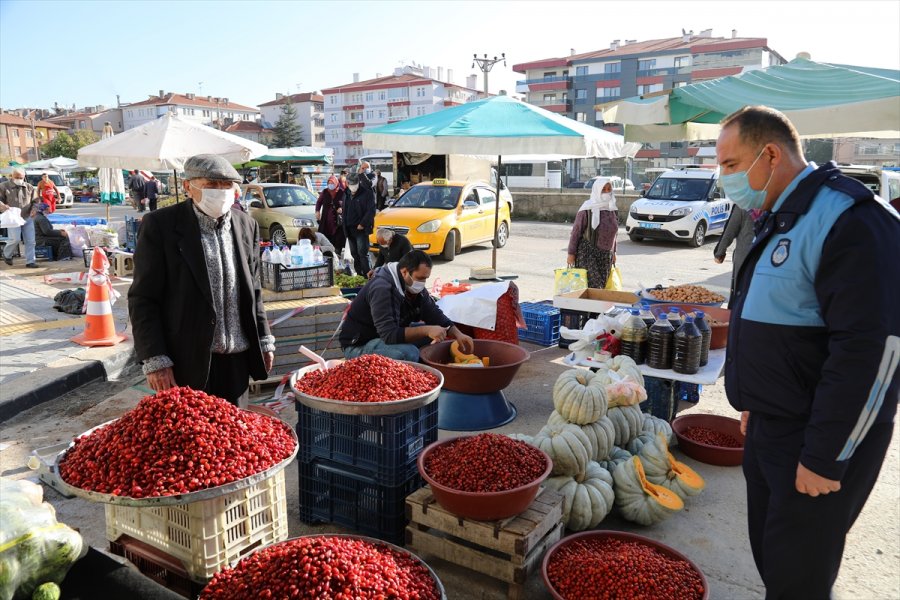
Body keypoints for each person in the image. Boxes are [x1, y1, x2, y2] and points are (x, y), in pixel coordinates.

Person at [717, 105, 899, 599]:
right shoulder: (780, 216)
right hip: (773, 427)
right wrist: (757, 400)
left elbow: (873, 353)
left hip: (815, 441)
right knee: (774, 561)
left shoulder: (853, 220)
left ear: (770, 154)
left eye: (731, 165)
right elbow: (783, 320)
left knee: (800, 577)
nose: (723, 178)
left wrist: (825, 457)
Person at [128, 154, 276, 408]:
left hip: (237, 360)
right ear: (188, 187)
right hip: (186, 361)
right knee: (192, 440)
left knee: (234, 437)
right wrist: (155, 359)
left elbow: (253, 290)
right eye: (211, 185)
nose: (220, 192)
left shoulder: (246, 225)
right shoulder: (161, 225)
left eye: (227, 186)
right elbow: (143, 298)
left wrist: (264, 339)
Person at [339, 250, 474, 362]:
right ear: (404, 272)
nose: (423, 283)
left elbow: (433, 313)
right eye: (420, 278)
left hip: (384, 335)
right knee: (409, 353)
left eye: (426, 279)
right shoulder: (382, 288)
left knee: (438, 333)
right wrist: (427, 330)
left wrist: (458, 334)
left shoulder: (414, 287)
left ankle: (419, 372)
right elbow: (389, 334)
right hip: (359, 344)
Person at [566, 177, 618, 288]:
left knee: (602, 288)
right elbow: (576, 232)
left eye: (609, 189)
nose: (607, 192)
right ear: (597, 190)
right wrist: (571, 253)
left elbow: (614, 233)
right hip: (588, 254)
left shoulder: (612, 208)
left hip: (605, 256)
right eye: (603, 189)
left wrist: (614, 252)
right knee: (593, 288)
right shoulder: (587, 209)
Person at [712, 205, 764, 307]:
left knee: (740, 294)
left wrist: (719, 252)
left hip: (745, 258)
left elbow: (730, 230)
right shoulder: (775, 202)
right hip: (765, 258)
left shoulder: (744, 204)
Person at [343, 161, 377, 276]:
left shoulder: (367, 191)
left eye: (355, 184)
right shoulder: (346, 193)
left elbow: (371, 211)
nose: (353, 186)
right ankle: (359, 275)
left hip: (361, 228)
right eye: (350, 184)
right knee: (354, 254)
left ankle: (368, 275)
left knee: (363, 253)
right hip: (349, 228)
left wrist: (362, 224)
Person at [0, 168, 38, 268]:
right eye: (17, 177)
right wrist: (3, 206)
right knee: (15, 239)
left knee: (30, 240)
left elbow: (36, 201)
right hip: (13, 217)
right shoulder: (4, 186)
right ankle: (7, 254)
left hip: (27, 216)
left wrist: (34, 209)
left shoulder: (29, 187)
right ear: (12, 176)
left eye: (21, 177)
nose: (19, 179)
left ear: (24, 177)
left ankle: (30, 261)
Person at [315, 175, 345, 252]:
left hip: (338, 221)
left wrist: (342, 208)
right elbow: (319, 202)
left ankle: (337, 253)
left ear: (336, 183)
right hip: (326, 219)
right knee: (325, 237)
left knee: (338, 239)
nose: (330, 185)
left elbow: (347, 204)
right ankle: (327, 252)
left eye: (332, 183)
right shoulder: (325, 192)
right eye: (329, 183)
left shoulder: (341, 192)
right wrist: (317, 211)